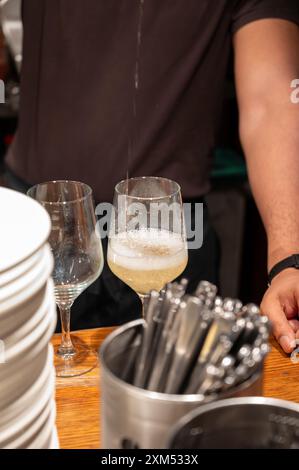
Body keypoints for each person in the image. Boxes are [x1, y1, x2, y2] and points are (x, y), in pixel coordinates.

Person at [2, 0, 299, 353]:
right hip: (41, 222)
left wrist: (288, 260)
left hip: (172, 229)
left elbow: (271, 100)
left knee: (173, 395)